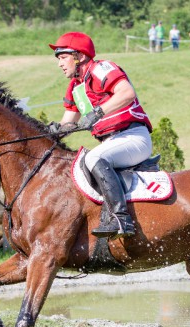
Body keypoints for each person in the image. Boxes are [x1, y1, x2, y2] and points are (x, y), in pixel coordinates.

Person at [48, 32, 153, 239]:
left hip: (132, 136)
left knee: (93, 157)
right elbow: (69, 122)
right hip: (112, 142)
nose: (60, 64)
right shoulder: (75, 87)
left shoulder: (102, 68)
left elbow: (126, 93)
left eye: (63, 57)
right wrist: (51, 130)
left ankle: (121, 219)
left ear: (80, 56)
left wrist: (98, 112)